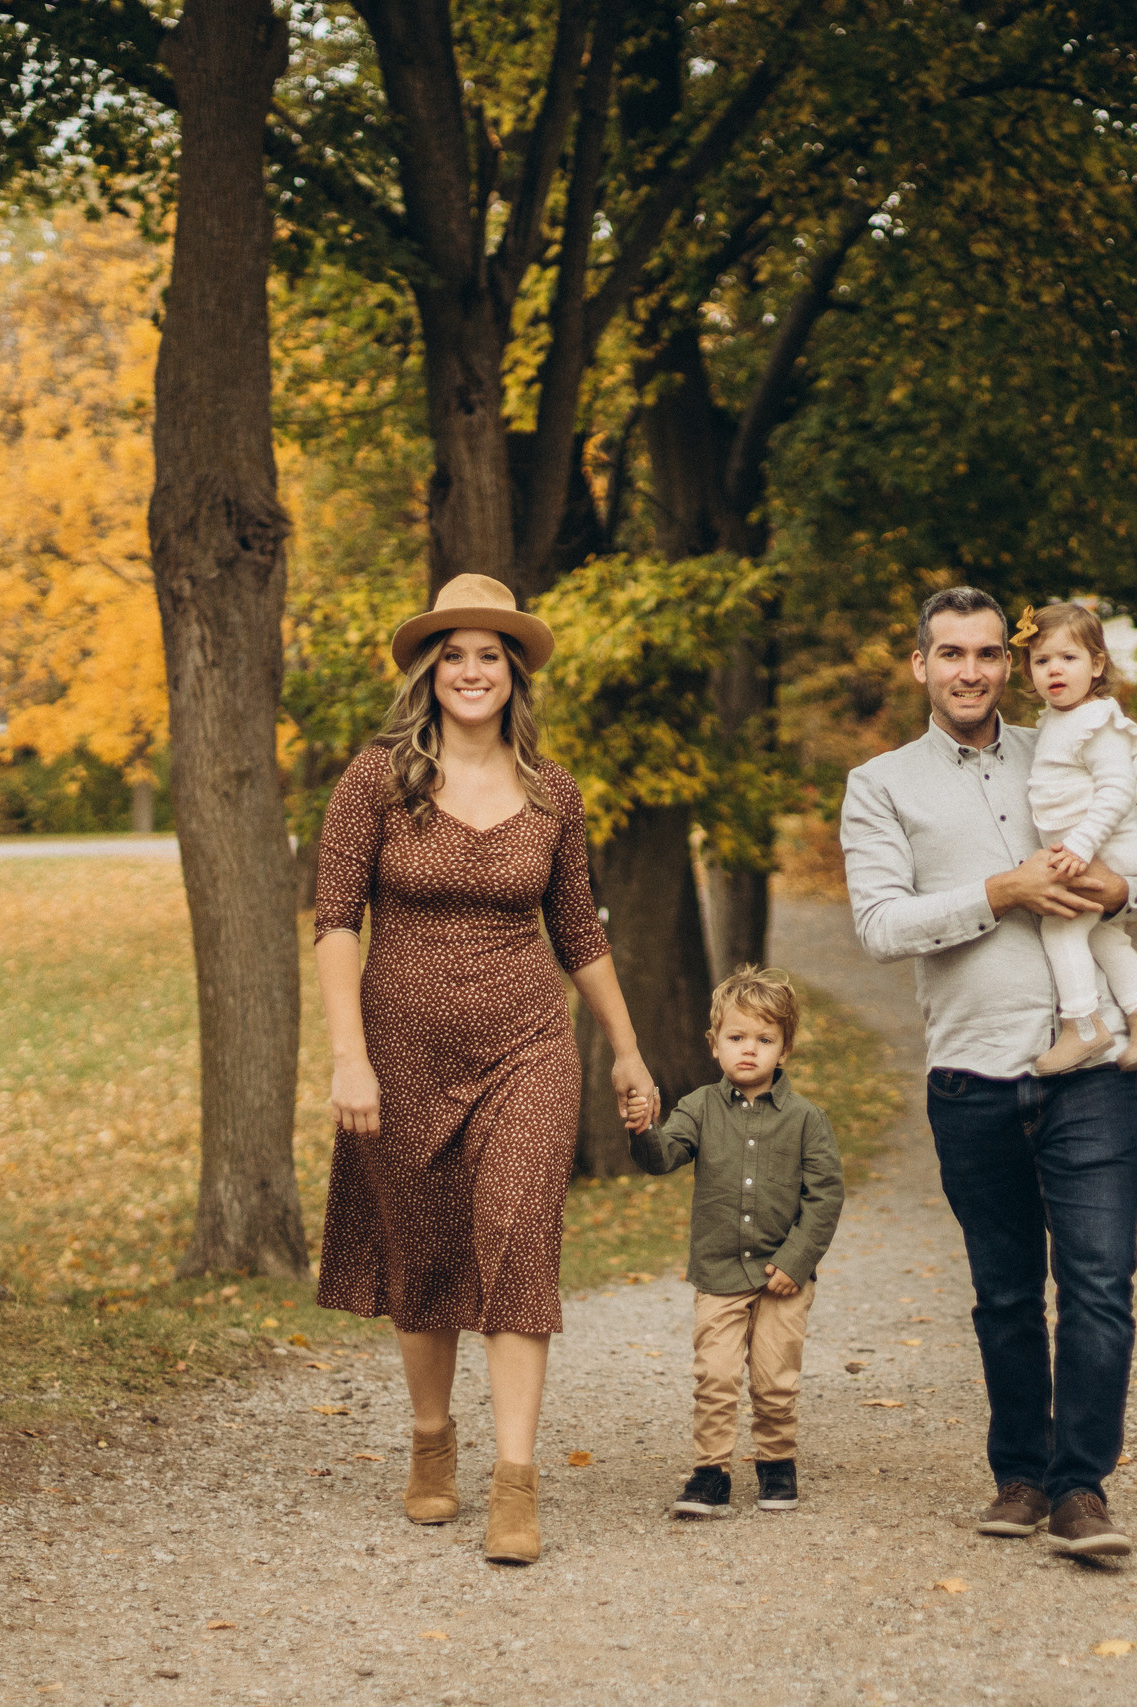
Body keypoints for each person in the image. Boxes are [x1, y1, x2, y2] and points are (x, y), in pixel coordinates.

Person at [312, 573, 660, 1567]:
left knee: (516, 1235)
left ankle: (515, 1480)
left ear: (514, 674)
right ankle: (432, 1442)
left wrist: (628, 1048)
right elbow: (336, 922)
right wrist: (348, 1060)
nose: (473, 671)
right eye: (455, 654)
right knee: (422, 1253)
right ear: (431, 671)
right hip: (400, 1050)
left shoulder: (554, 793)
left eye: (491, 656)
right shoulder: (374, 781)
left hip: (527, 1047)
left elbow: (579, 929)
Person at [839, 586, 1137, 1560]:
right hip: (971, 1076)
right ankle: (1020, 1477)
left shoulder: (1067, 745)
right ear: (919, 665)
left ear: (1010, 663)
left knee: (1099, 1284)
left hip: (1091, 1070)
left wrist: (1116, 886)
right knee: (1002, 1295)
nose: (971, 672)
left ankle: (1081, 1490)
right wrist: (1001, 891)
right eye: (950, 654)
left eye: (989, 654)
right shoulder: (881, 785)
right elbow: (878, 926)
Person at [632, 966, 845, 1520]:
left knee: (775, 1379)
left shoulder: (807, 1120)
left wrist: (797, 1260)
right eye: (737, 1038)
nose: (749, 1050)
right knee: (716, 1374)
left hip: (783, 1278)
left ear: (785, 1048)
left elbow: (825, 1199)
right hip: (720, 1272)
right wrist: (643, 1130)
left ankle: (777, 1463)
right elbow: (664, 1158)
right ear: (715, 1045)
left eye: (764, 1039)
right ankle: (711, 1472)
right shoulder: (699, 1107)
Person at [1010, 600, 1137, 1076]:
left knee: (1060, 927)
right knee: (1106, 937)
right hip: (1087, 849)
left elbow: (1118, 788)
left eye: (1069, 658)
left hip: (1104, 850)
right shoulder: (1055, 720)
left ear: (1097, 664)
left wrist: (1083, 845)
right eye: (1042, 661)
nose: (1054, 670)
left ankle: (1083, 1027)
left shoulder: (1098, 720)